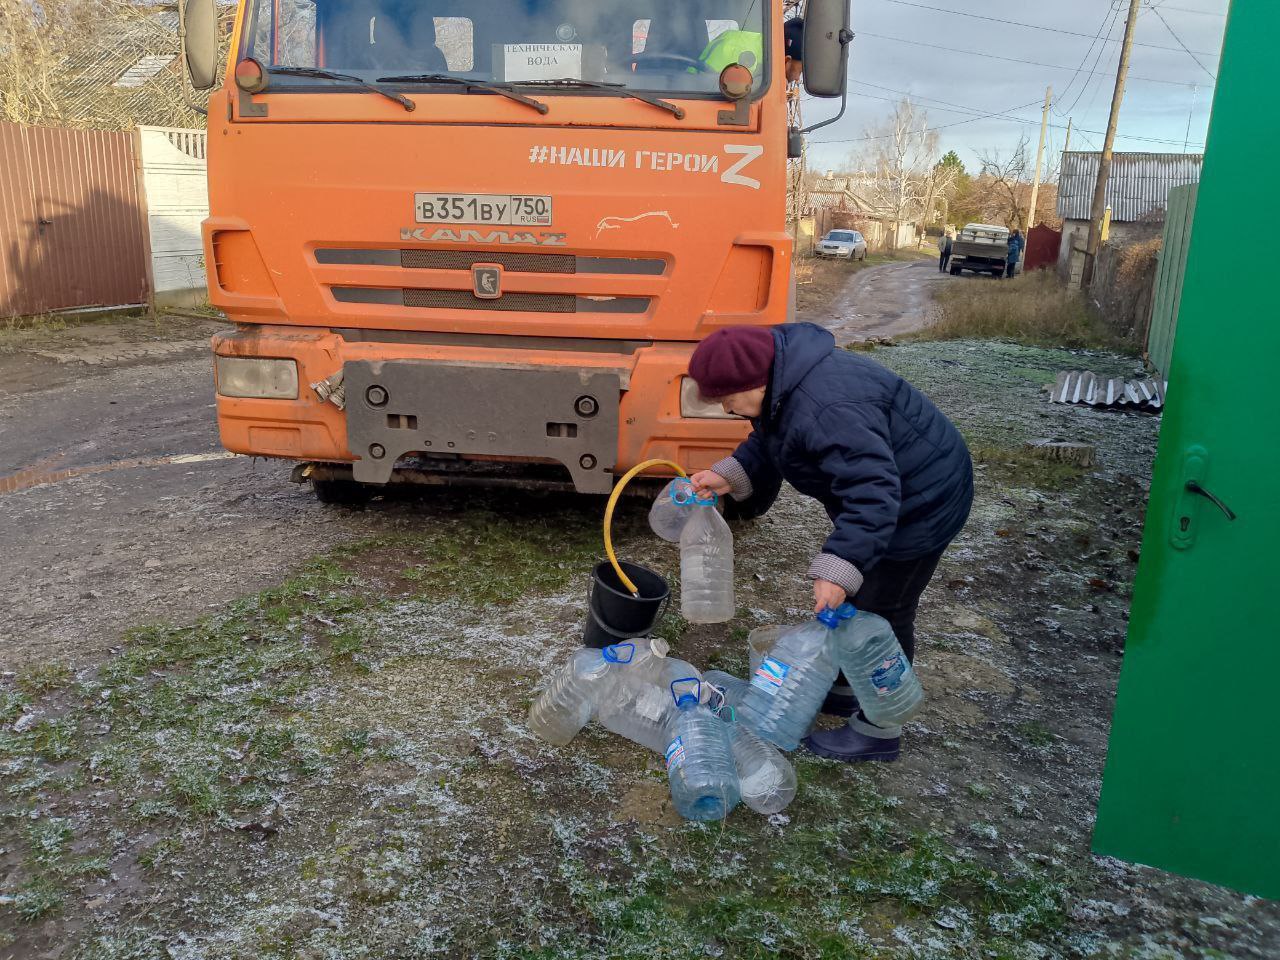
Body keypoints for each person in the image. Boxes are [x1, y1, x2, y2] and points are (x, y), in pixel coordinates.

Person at [687, 323, 974, 764]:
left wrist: (841, 563)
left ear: (758, 380)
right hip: (888, 494)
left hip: (921, 502)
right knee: (855, 599)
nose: (726, 408)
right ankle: (843, 686)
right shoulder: (784, 383)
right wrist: (731, 473)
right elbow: (773, 435)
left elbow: (872, 493)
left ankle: (879, 728)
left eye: (728, 398)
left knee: (884, 610)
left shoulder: (827, 406)